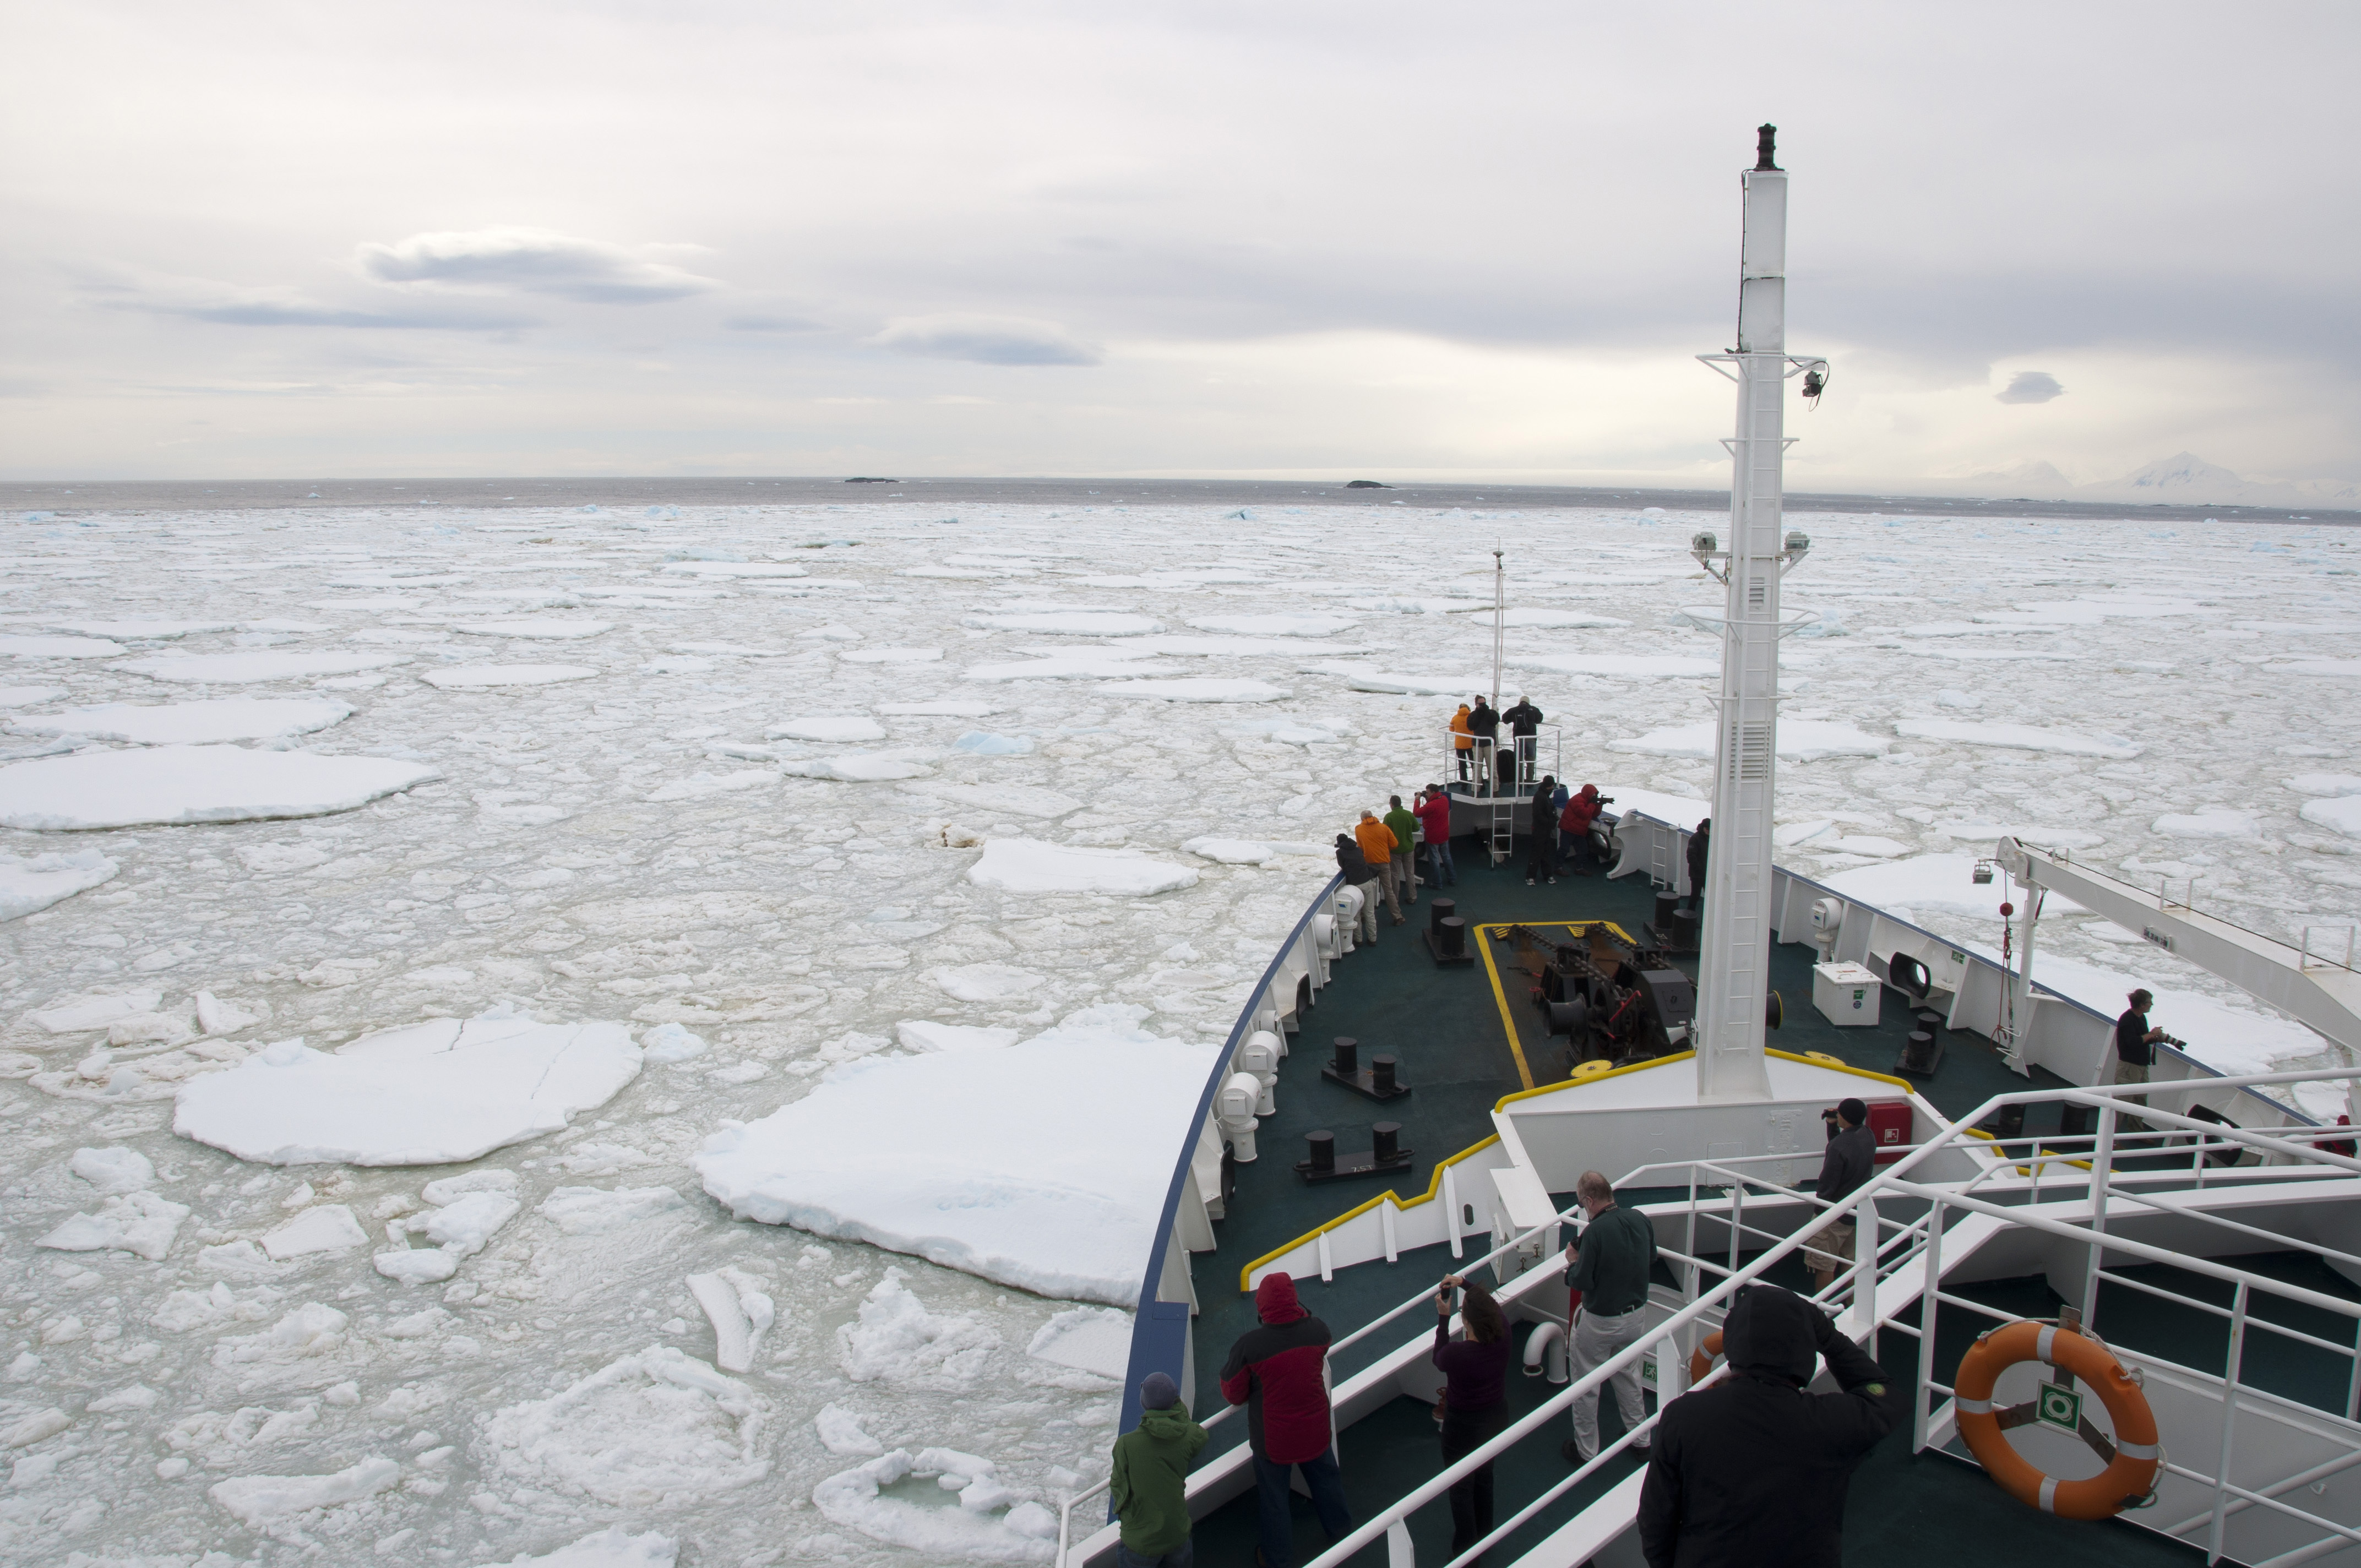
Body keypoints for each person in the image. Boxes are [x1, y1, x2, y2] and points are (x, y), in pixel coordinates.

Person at [1636, 1283, 1902, 1568]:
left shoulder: (1684, 1417)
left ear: (1734, 1342)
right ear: (1804, 1347)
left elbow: (1655, 1520)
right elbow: (1885, 1396)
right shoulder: (1832, 1422)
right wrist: (1827, 1336)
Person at [1220, 1272, 1350, 1568]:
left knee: (1274, 1501)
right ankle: (1341, 1533)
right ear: (1295, 1300)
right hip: (1316, 1431)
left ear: (1262, 1307)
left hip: (1274, 1444)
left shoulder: (1250, 1346)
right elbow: (1320, 1348)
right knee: (1327, 1483)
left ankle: (1277, 1559)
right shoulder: (1318, 1331)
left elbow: (1233, 1392)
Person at [1561, 1170, 1658, 1464]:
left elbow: (1582, 1281)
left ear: (1589, 1200)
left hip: (1601, 1322)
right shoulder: (1640, 1218)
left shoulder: (1595, 1233)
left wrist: (1572, 1263)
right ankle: (1641, 1440)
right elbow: (1650, 1257)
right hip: (1636, 1316)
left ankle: (1587, 1451)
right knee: (1628, 1375)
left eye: (1582, 1203)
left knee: (1586, 1384)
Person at [1432, 1275, 1511, 1564]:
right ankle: (1485, 1535)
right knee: (1485, 1476)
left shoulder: (1458, 1354)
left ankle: (1466, 1551)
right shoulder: (1504, 1334)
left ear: (1466, 1323)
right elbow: (1491, 1304)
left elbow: (1438, 1358)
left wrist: (1443, 1318)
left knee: (1461, 1486)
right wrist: (1465, 1283)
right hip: (1495, 1419)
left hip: (1462, 1426)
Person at [1111, 1370, 1208, 1568]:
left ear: (1144, 1401)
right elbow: (1198, 1433)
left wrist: (1129, 1520)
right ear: (1175, 1401)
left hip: (1141, 1542)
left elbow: (1118, 1488)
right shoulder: (1189, 1436)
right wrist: (1175, 1406)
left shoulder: (1126, 1444)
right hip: (1177, 1534)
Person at [1805, 1098, 1875, 1296]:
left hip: (1834, 1215)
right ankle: (1852, 1305)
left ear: (1843, 1117)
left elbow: (1828, 1182)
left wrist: (1820, 1214)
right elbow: (1845, 1147)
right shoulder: (1868, 1135)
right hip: (1856, 1211)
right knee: (1848, 1262)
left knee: (1825, 1265)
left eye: (1839, 1114)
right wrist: (1832, 1127)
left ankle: (1825, 1309)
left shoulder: (1839, 1147)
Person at [2112, 988, 2166, 1135]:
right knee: (2121, 1103)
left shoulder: (2141, 1017)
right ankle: (2111, 1137)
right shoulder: (2127, 1020)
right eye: (2149, 1002)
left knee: (2140, 1100)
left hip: (2141, 1066)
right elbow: (2132, 1043)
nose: (2152, 1005)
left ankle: (2136, 1131)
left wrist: (2154, 1038)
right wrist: (2151, 1034)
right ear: (2142, 1005)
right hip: (2129, 1067)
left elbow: (2142, 1039)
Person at [1354, 810, 1403, 925]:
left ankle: (1364, 916)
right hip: (1383, 863)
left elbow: (1360, 848)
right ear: (1373, 817)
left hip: (1368, 865)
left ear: (1362, 819)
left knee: (1367, 890)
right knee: (1388, 890)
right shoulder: (1384, 828)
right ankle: (1397, 917)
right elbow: (1395, 844)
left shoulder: (1359, 829)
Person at [1334, 834, 1381, 945]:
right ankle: (1373, 939)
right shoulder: (1358, 849)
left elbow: (1343, 866)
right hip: (1367, 882)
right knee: (1369, 912)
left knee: (1356, 914)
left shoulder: (1340, 852)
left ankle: (1358, 939)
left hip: (1355, 886)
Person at [1415, 785, 1456, 889]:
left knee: (1434, 859)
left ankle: (1437, 883)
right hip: (1444, 834)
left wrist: (1417, 800)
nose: (1426, 793)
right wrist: (1427, 798)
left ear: (1433, 792)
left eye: (1427, 792)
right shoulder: (1444, 799)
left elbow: (1417, 813)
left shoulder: (1431, 805)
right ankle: (1452, 878)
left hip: (1433, 835)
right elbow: (1434, 808)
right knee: (1446, 856)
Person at [1384, 794, 1421, 908]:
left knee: (1395, 874)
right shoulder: (1409, 814)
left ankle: (1395, 899)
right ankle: (1413, 896)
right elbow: (1416, 828)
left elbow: (1384, 833)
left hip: (1395, 850)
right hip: (1409, 849)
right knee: (1409, 873)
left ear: (1392, 804)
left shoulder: (1389, 817)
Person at [1561, 785, 1603, 876]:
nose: (1594, 797)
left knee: (1583, 850)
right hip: (1568, 828)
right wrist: (1592, 804)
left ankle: (1579, 868)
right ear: (1588, 794)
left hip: (1578, 830)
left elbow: (1594, 814)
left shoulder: (1588, 801)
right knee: (1564, 849)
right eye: (1593, 795)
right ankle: (1558, 868)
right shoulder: (1577, 800)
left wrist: (1599, 805)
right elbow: (1585, 814)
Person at [1525, 774, 1559, 886]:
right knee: (1537, 853)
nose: (1552, 788)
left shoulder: (1544, 795)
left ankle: (1547, 875)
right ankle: (1531, 877)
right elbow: (1538, 814)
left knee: (1544, 852)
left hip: (1545, 829)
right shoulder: (1540, 796)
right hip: (1540, 830)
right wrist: (1550, 822)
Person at [1503, 694, 1543, 785]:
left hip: (1519, 739)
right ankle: (1529, 781)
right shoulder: (1534, 709)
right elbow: (1540, 719)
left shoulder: (1514, 710)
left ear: (1520, 702)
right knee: (1531, 760)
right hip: (1531, 739)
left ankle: (1519, 781)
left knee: (1519, 761)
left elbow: (1505, 719)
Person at [1467, 697, 1500, 793]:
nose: (1483, 706)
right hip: (1477, 745)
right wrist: (1478, 713)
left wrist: (1486, 711)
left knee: (1492, 768)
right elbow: (1471, 726)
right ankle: (1475, 790)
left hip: (1489, 744)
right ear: (1476, 704)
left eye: (1484, 703)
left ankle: (1495, 790)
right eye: (1481, 704)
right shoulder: (1473, 715)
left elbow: (1495, 721)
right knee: (1477, 769)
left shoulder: (1492, 713)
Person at [1685, 819, 1710, 911]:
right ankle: (1689, 917)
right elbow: (1691, 857)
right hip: (1697, 874)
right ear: (1703, 828)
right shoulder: (1695, 839)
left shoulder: (1710, 838)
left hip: (1706, 874)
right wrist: (1700, 869)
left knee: (1709, 896)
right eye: (1707, 829)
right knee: (1695, 896)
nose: (1709, 831)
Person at [1450, 704, 1476, 782]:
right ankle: (1478, 781)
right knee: (1474, 763)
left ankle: (1463, 783)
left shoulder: (1455, 718)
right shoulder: (1472, 717)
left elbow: (1452, 729)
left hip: (1459, 744)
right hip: (1471, 743)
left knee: (1462, 764)